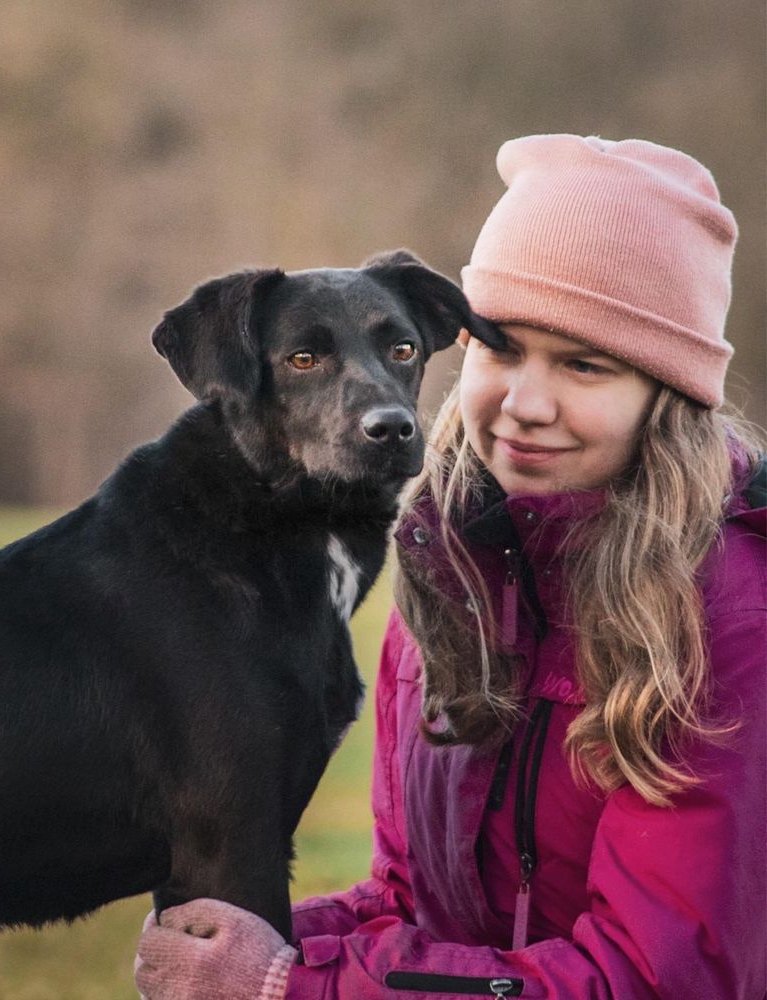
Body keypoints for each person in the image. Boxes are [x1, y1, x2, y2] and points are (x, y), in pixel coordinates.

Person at [134, 134, 766, 999]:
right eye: (500, 350)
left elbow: (655, 978)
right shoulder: (449, 569)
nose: (524, 404)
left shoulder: (728, 618)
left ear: (667, 393)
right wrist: (244, 935)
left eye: (584, 365)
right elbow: (414, 907)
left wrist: (289, 983)